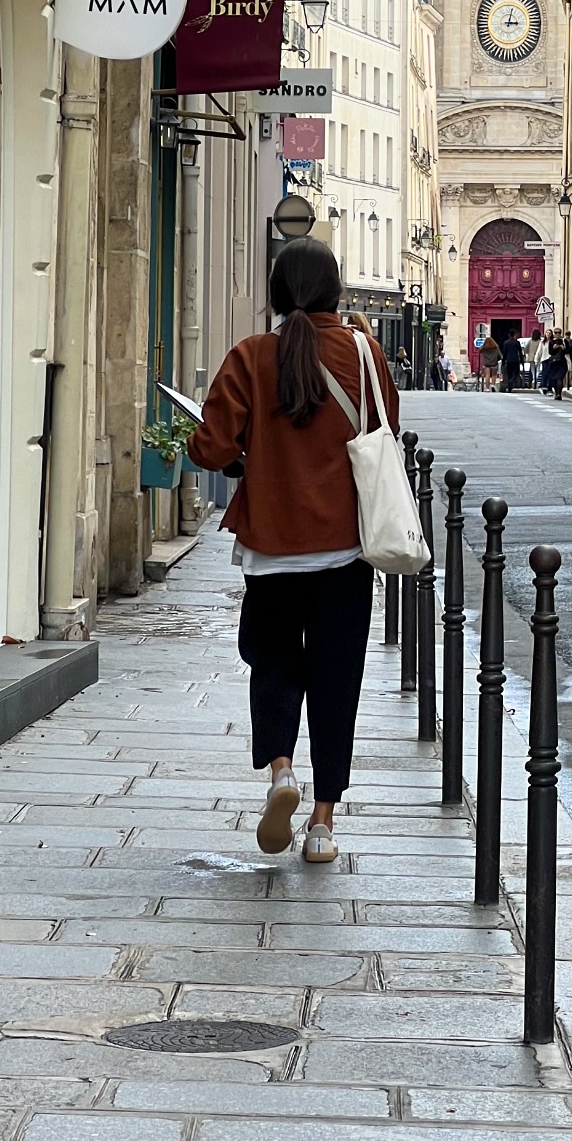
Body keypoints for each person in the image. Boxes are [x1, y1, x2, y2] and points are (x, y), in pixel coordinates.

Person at [187, 236, 399, 865]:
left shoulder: (251, 356)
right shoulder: (363, 353)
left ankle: (282, 773)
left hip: (272, 548)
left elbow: (212, 448)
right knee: (338, 680)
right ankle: (323, 824)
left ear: (276, 295)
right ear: (336, 292)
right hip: (345, 549)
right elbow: (385, 428)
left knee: (274, 665)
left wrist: (246, 451)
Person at [545, 330, 568, 399]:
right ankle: (557, 393)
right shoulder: (551, 342)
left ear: (561, 333)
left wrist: (563, 348)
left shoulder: (564, 341)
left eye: (559, 332)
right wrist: (554, 348)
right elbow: (550, 352)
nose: (557, 334)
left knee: (559, 378)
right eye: (556, 332)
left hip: (561, 362)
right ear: (554, 334)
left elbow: (568, 351)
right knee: (555, 379)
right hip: (554, 363)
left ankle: (559, 394)